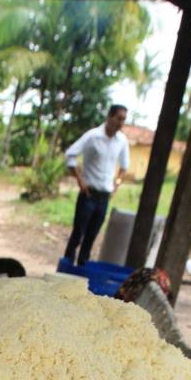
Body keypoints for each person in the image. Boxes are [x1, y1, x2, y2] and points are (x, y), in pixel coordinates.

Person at [63, 105, 130, 267]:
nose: (121, 123)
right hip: (88, 194)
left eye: (124, 120)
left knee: (92, 234)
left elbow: (124, 166)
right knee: (78, 232)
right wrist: (80, 180)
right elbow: (70, 155)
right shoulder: (93, 137)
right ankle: (67, 264)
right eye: (119, 118)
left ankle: (82, 265)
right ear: (110, 117)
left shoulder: (122, 141)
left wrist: (117, 183)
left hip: (104, 196)